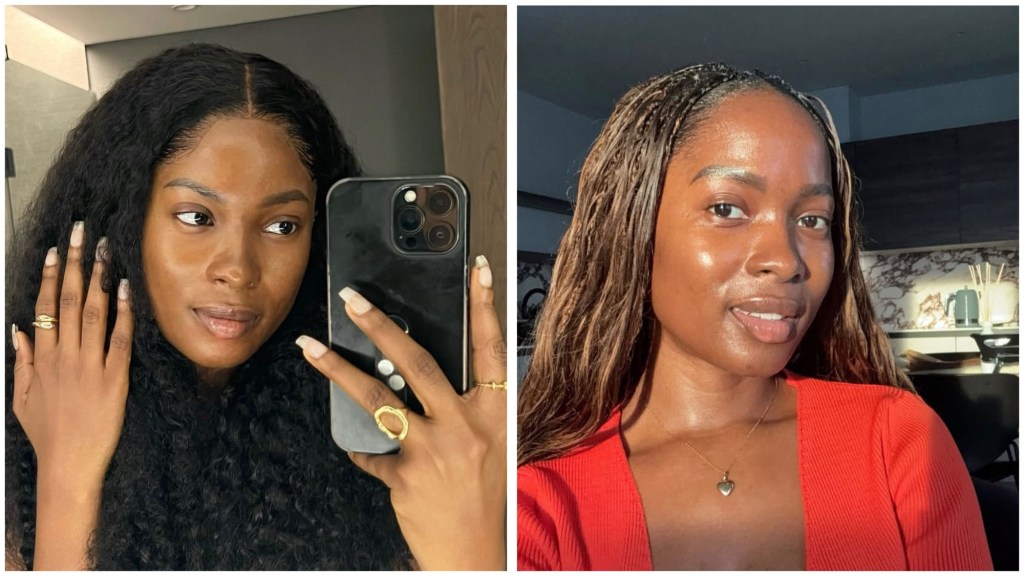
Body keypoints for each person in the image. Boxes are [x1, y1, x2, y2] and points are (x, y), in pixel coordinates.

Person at [5, 43, 506, 570]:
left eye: (282, 226)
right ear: (124, 220)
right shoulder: (22, 425)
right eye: (197, 217)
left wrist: (471, 545)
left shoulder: (371, 438)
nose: (239, 269)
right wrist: (66, 469)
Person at [517, 63, 991, 571]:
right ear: (633, 230)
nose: (787, 260)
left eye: (812, 220)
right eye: (726, 209)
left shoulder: (898, 440)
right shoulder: (540, 507)